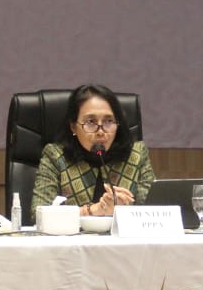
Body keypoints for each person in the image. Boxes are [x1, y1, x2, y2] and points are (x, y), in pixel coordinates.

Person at [31, 84, 155, 218]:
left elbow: (157, 209)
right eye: (90, 122)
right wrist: (91, 211)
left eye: (109, 121)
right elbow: (38, 214)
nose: (100, 132)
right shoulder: (55, 156)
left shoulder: (136, 154)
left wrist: (126, 210)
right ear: (73, 127)